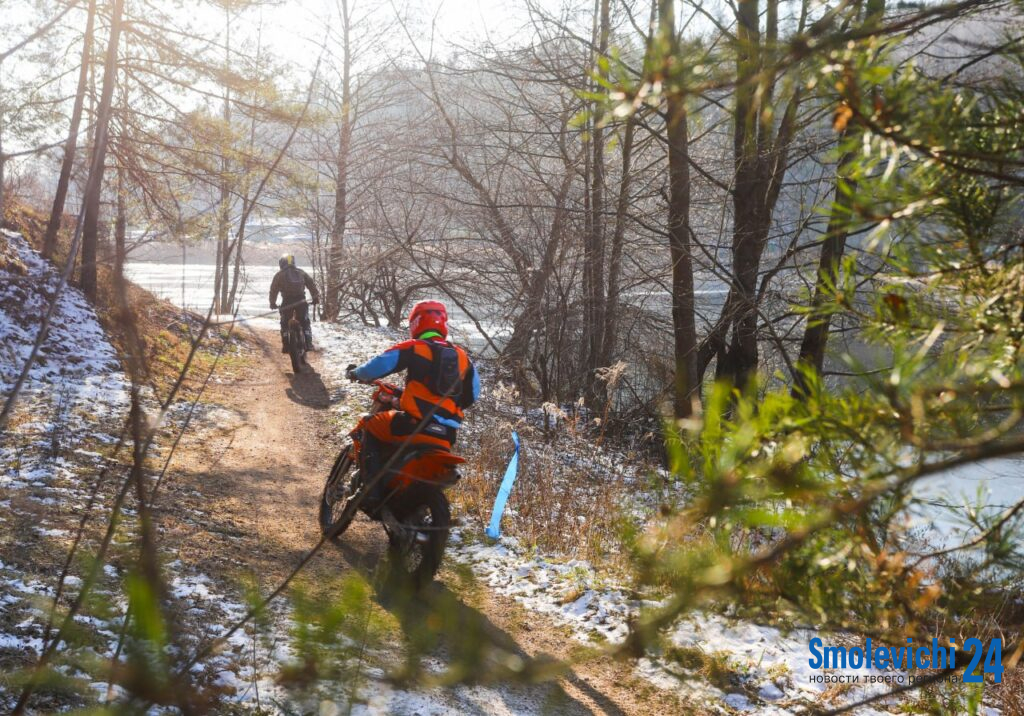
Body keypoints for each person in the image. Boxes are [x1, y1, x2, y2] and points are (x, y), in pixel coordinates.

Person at [346, 300, 480, 498]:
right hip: (447, 435)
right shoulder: (463, 357)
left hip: (412, 425)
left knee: (370, 424)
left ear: (416, 323)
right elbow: (472, 396)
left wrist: (355, 373)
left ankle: (370, 490)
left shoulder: (415, 347)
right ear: (443, 324)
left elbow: (378, 366)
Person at [269, 254, 319, 353]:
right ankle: (308, 343)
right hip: (301, 300)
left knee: (284, 323)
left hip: (287, 302)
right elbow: (311, 285)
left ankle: (286, 345)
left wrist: (272, 303)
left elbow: (273, 290)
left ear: (281, 263)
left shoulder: (279, 275)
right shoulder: (301, 272)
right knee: (305, 322)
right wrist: (315, 298)